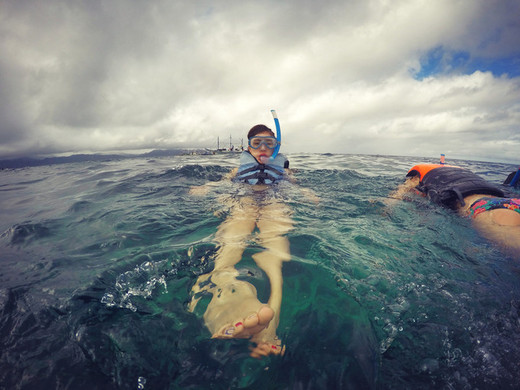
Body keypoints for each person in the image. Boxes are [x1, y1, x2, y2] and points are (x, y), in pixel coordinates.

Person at [189, 124, 297, 358]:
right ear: (248, 147)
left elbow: (297, 186)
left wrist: (310, 195)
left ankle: (270, 326)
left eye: (270, 143)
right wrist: (206, 188)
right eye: (257, 143)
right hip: (244, 202)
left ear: (277, 148)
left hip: (273, 203)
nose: (263, 149)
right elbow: (222, 182)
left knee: (275, 251)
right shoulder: (238, 170)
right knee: (231, 243)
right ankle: (223, 302)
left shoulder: (286, 171)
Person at [390, 163, 520, 254]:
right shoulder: (467, 176)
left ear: (415, 176)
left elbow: (398, 195)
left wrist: (387, 208)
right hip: (508, 202)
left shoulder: (417, 179)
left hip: (484, 208)